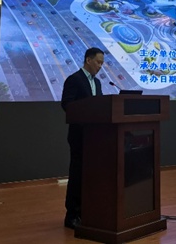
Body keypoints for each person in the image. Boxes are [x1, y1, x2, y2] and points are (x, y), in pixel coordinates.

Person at [60, 47, 105, 230]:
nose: (100, 66)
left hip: (95, 136)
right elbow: (67, 104)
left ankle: (87, 211)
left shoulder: (98, 83)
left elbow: (101, 106)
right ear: (88, 60)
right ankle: (72, 215)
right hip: (80, 134)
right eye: (98, 62)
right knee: (78, 175)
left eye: (102, 63)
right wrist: (85, 116)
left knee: (91, 175)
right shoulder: (74, 79)